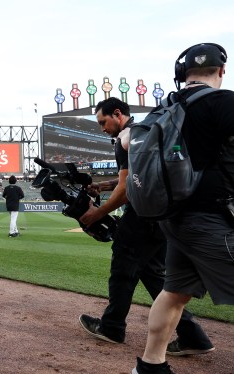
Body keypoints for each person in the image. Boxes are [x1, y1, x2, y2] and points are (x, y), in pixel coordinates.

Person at [75, 97, 213, 366]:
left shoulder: (126, 139)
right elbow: (137, 176)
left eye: (103, 122)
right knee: (153, 275)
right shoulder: (145, 132)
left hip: (140, 217)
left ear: (118, 114)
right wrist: (105, 186)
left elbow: (127, 190)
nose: (102, 128)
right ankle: (194, 336)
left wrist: (97, 213)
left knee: (122, 269)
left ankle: (112, 327)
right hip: (161, 217)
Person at [133, 43, 234, 374]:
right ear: (221, 71)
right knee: (174, 293)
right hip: (211, 219)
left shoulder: (165, 106)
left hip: (173, 219)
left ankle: (150, 367)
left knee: (174, 293)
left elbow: (124, 141)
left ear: (183, 75)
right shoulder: (223, 101)